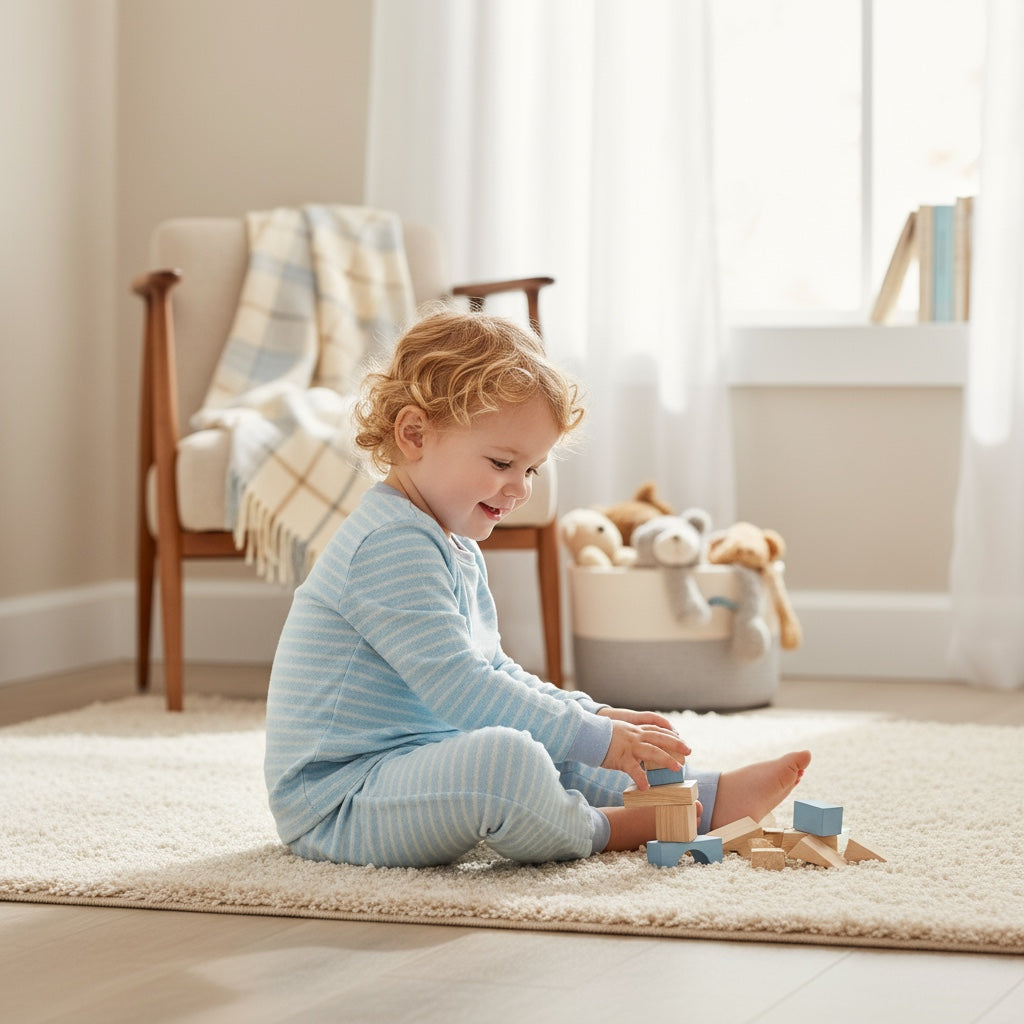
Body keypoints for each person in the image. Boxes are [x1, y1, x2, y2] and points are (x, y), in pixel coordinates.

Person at [264, 309, 811, 867]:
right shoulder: (388, 543)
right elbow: (461, 686)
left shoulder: (450, 544)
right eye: (504, 462)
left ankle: (704, 796)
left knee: (550, 733)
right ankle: (606, 828)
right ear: (413, 434)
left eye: (532, 470)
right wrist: (592, 734)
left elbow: (496, 673)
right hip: (341, 802)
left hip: (414, 764)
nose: (520, 489)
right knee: (509, 758)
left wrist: (592, 716)